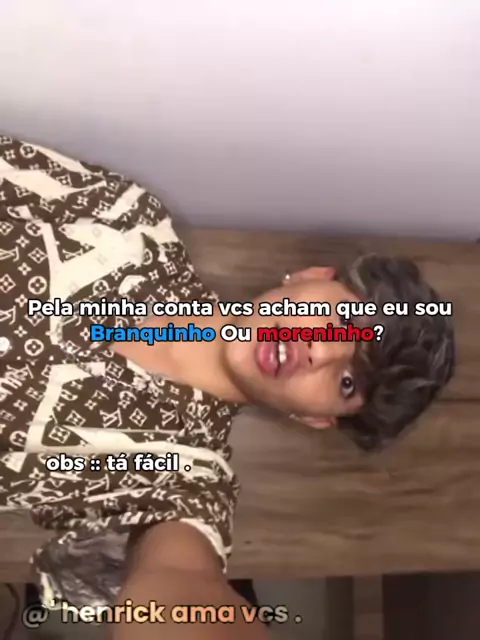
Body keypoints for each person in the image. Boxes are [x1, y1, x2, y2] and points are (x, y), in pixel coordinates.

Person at [0, 136, 455, 639]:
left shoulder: (183, 479)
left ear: (314, 417)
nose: (321, 350)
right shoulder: (128, 221)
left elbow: (180, 584)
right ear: (311, 277)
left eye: (347, 382)